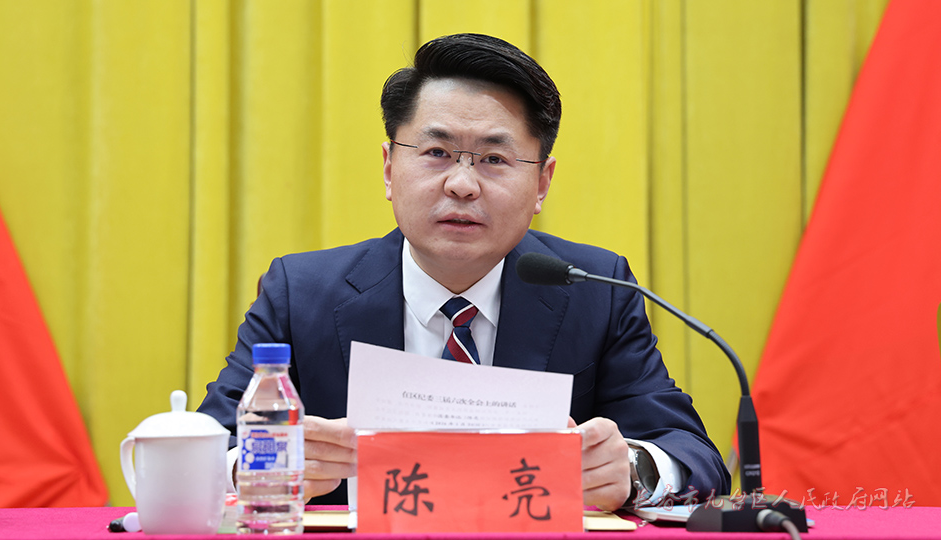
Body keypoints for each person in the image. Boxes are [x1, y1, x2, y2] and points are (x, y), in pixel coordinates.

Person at [198, 33, 730, 511]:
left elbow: (693, 456)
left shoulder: (595, 289)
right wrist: (262, 464)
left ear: (542, 184)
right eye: (436, 152)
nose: (461, 184)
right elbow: (208, 446)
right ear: (389, 169)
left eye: (494, 159)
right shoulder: (300, 293)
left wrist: (632, 470)